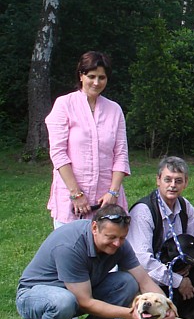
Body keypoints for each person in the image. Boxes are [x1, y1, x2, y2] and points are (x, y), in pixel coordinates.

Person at [16, 205, 170, 319]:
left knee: (127, 283)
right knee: (63, 301)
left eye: (122, 238)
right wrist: (133, 314)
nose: (117, 243)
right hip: (34, 296)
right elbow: (85, 302)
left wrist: (167, 310)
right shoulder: (70, 246)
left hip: (77, 292)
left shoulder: (119, 243)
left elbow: (144, 281)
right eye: (111, 237)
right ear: (94, 227)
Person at [45, 51, 130, 227]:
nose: (96, 82)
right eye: (91, 76)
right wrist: (76, 194)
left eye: (102, 77)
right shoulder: (64, 105)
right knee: (70, 250)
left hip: (106, 202)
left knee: (107, 250)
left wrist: (112, 193)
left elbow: (121, 155)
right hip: (71, 199)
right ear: (81, 76)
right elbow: (58, 153)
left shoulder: (114, 110)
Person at [127, 156, 194, 307]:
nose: (172, 185)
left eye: (178, 181)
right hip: (147, 272)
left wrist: (189, 265)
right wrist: (177, 280)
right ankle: (144, 299)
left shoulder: (186, 206)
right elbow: (143, 259)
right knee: (157, 305)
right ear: (158, 180)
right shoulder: (143, 211)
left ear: (186, 182)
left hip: (178, 266)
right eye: (167, 180)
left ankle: (186, 297)